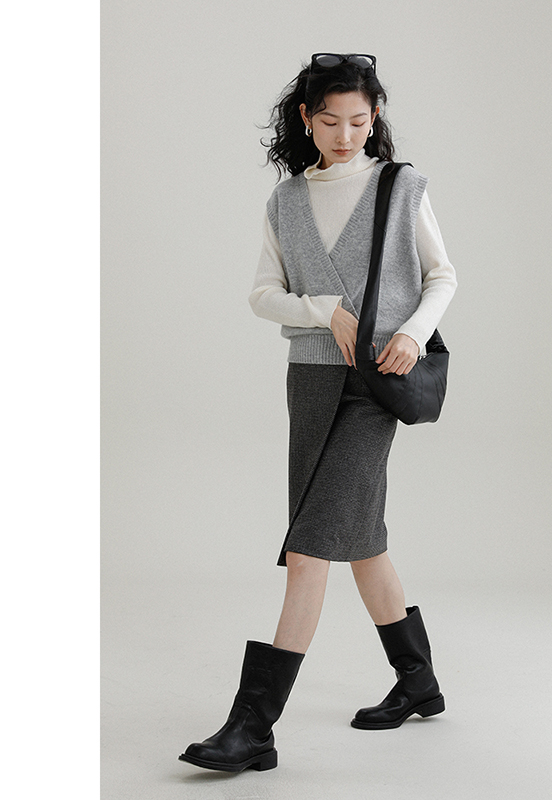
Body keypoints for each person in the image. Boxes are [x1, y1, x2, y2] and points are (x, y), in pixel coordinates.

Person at [178, 52, 457, 774]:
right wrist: (324, 309)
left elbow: (442, 275)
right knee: (359, 541)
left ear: (375, 118)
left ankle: (254, 726)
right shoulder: (287, 201)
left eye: (359, 122)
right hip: (309, 381)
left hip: (377, 383)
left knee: (308, 549)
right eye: (331, 121)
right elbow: (261, 294)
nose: (345, 135)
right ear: (306, 119)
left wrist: (411, 333)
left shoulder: (401, 186)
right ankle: (418, 680)